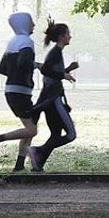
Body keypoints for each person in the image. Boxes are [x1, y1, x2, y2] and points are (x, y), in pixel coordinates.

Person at [0, 11, 40, 171]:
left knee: (29, 130)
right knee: (31, 130)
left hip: (12, 90)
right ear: (24, 24)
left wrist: (16, 74)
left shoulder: (13, 42)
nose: (34, 25)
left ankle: (19, 166)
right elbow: (24, 63)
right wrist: (35, 66)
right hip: (21, 91)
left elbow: (2, 68)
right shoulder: (27, 42)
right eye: (31, 22)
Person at [29, 21, 77, 172]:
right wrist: (64, 74)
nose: (70, 36)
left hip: (50, 98)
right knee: (70, 134)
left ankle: (38, 163)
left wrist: (68, 69)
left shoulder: (57, 53)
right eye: (68, 34)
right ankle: (37, 151)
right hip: (53, 98)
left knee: (56, 134)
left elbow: (51, 72)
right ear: (62, 37)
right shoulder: (56, 52)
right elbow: (46, 70)